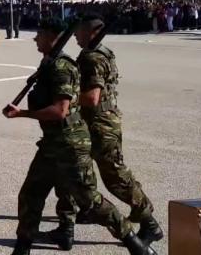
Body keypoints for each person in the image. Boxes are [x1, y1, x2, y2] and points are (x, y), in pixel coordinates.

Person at [3, 18, 156, 255]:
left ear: (52, 36)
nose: (35, 38)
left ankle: (133, 242)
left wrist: (21, 113)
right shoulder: (49, 63)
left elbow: (60, 110)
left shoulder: (62, 67)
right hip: (51, 144)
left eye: (39, 34)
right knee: (30, 195)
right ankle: (23, 247)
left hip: (71, 144)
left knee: (91, 202)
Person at [49, 14, 163, 250]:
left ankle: (149, 222)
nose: (76, 36)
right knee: (74, 172)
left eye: (80, 31)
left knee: (115, 178)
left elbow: (92, 98)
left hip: (99, 125)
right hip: (95, 122)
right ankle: (69, 220)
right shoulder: (101, 52)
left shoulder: (91, 58)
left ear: (91, 32)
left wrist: (63, 98)